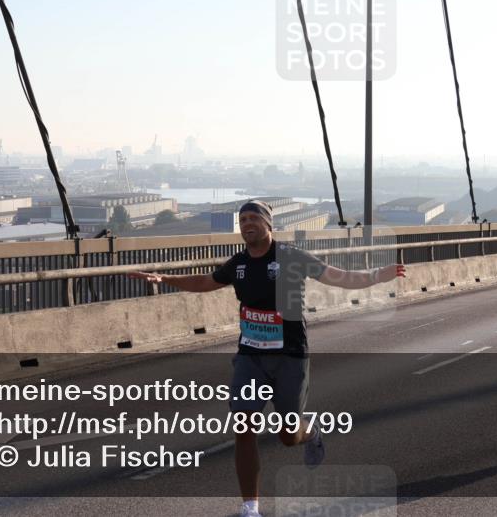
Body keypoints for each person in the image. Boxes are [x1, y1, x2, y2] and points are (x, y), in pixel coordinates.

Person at [130, 200, 405, 517]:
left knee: (288, 436)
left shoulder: (291, 257)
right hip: (251, 356)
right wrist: (165, 279)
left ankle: (311, 432)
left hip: (290, 357)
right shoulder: (238, 263)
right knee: (244, 425)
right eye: (242, 219)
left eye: (253, 218)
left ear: (268, 223)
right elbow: (205, 282)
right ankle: (250, 507)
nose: (247, 223)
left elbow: (338, 277)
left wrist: (377, 275)